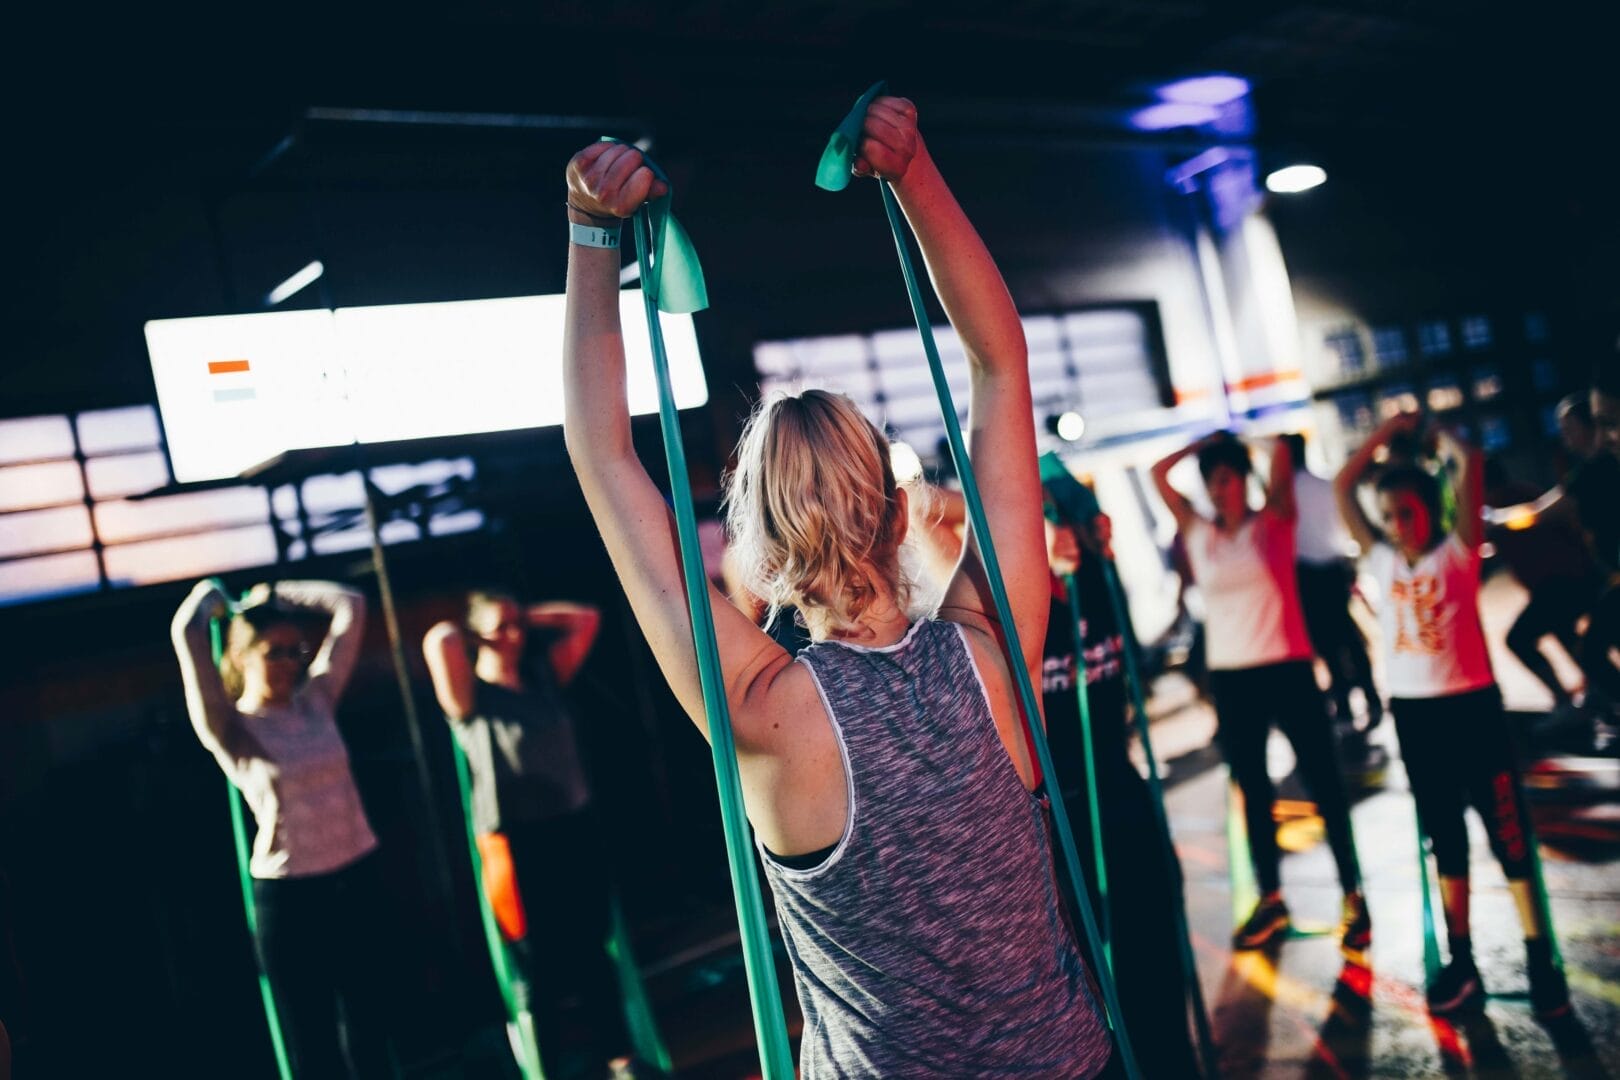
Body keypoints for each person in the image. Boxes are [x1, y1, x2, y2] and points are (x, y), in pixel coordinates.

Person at [561, 97, 1113, 1077]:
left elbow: (605, 459)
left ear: (758, 554)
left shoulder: (766, 710)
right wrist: (913, 171)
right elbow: (999, 363)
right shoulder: (994, 649)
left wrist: (591, 234)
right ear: (903, 515)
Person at [1333, 413, 1569, 1019]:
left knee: (1508, 832)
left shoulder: (1458, 551)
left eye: (1407, 512)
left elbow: (1470, 460)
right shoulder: (1382, 562)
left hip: (1473, 710)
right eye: (1389, 516)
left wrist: (1429, 427)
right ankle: (1462, 960)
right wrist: (1385, 432)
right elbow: (1343, 485)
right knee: (1447, 841)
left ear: (1431, 511)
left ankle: (1540, 957)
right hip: (1416, 717)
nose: (1397, 526)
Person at [1151, 432, 1369, 951]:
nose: (1219, 489)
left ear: (1245, 480)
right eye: (1212, 481)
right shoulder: (1198, 532)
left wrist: (1242, 440)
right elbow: (1160, 471)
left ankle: (1353, 896)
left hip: (1288, 669)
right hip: (1233, 680)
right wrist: (1206, 441)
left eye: (1227, 478)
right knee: (1254, 794)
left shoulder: (1274, 523)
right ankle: (1271, 899)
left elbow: (1283, 454)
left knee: (1325, 786)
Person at [171, 579, 392, 1078]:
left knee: (370, 1029)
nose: (291, 663)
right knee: (313, 1045)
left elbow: (350, 604)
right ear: (243, 657)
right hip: (293, 897)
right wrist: (215, 600)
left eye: (298, 652)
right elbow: (186, 630)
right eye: (276, 653)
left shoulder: (316, 699)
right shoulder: (230, 726)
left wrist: (280, 592)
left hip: (357, 875)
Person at [422, 592, 628, 1080]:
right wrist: (479, 626)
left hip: (572, 832)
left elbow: (587, 617)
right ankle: (546, 1071)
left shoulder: (543, 678)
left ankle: (620, 1059)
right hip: (513, 844)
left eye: (519, 626)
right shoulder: (469, 697)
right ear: (476, 635)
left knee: (593, 952)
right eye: (501, 627)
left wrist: (522, 618)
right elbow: (439, 639)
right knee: (535, 970)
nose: (513, 636)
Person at [1042, 497, 1204, 1079]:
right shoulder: (1012, 607)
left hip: (1123, 791)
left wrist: (1095, 540)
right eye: (1044, 522)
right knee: (1094, 971)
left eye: (1063, 521)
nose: (1059, 535)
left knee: (1157, 943)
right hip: (1062, 819)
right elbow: (947, 515)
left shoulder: (1101, 582)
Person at [1280, 433, 1383, 735]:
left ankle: (1344, 704)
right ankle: (1371, 696)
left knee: (1326, 641)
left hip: (1308, 574)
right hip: (1335, 566)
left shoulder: (1286, 493)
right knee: (1348, 635)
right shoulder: (1324, 485)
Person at [1481, 457, 1598, 716]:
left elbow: (1531, 519)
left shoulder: (1508, 502)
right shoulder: (1503, 503)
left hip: (1565, 582)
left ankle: (1570, 700)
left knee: (1519, 639)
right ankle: (1594, 693)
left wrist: (1495, 520)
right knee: (1567, 636)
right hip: (1557, 586)